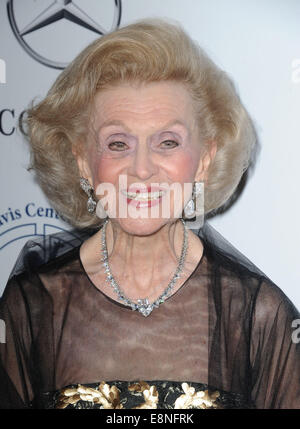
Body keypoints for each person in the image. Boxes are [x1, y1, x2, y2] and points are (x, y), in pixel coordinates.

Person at [0, 18, 299, 410]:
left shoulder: (257, 316)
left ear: (205, 160)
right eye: (118, 143)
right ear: (84, 162)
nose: (142, 169)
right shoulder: (32, 308)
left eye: (168, 141)